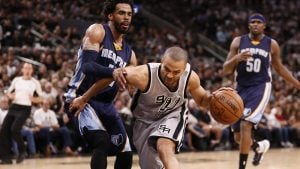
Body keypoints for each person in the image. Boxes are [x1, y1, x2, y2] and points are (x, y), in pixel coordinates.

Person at [70, 46, 222, 169]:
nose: (170, 75)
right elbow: (113, 75)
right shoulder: (143, 74)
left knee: (165, 148)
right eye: (167, 69)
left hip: (172, 115)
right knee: (152, 166)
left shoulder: (190, 78)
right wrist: (84, 98)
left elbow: (202, 100)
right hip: (143, 122)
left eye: (176, 72)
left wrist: (214, 100)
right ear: (161, 62)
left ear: (183, 70)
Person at [63, 0, 137, 169]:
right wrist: (113, 72)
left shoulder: (130, 54)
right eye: (121, 13)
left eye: (129, 14)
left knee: (125, 149)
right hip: (80, 97)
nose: (126, 18)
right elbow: (88, 66)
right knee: (101, 141)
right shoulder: (97, 31)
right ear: (110, 15)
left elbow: (132, 87)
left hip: (105, 104)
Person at [223, 13, 300, 169]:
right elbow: (225, 70)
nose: (256, 24)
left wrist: (297, 84)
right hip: (241, 88)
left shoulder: (272, 44)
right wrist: (236, 59)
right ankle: (259, 147)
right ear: (248, 25)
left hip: (260, 87)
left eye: (259, 22)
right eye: (253, 22)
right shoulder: (238, 42)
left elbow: (279, 68)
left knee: (246, 124)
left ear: (264, 26)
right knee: (238, 136)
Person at [0, 62, 43, 164]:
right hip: (14, 106)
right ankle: (6, 158)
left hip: (25, 108)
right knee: (4, 130)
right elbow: (9, 93)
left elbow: (41, 98)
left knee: (15, 129)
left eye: (29, 68)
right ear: (22, 70)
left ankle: (22, 151)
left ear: (32, 71)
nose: (27, 70)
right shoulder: (16, 80)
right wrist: (10, 96)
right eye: (26, 68)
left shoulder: (35, 82)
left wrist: (34, 99)